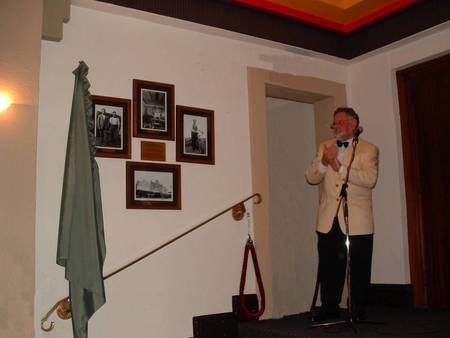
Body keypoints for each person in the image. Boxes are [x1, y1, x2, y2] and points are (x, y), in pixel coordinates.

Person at [305, 107, 379, 322]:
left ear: (353, 123)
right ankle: (329, 310)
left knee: (359, 266)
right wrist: (323, 163)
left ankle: (357, 311)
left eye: (339, 122)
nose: (335, 127)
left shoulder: (369, 149)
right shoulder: (325, 147)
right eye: (334, 123)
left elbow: (369, 180)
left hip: (357, 218)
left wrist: (338, 167)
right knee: (329, 266)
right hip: (329, 218)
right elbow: (310, 177)